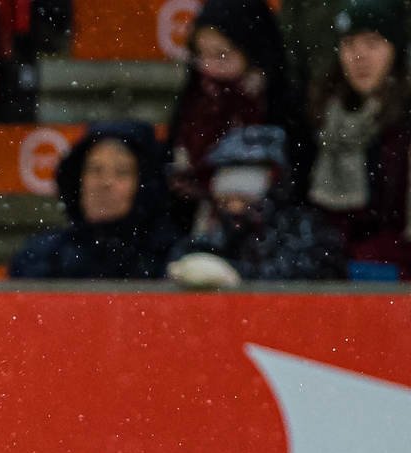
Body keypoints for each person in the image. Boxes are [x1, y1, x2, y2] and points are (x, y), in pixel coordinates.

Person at [167, 0, 310, 217]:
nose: (209, 66)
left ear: (252, 52)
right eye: (201, 54)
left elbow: (298, 178)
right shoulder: (194, 100)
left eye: (222, 55)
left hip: (270, 229)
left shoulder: (279, 104)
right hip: (199, 228)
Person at [169, 124, 348, 284]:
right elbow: (183, 260)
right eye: (224, 193)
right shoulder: (215, 234)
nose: (234, 205)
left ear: (273, 182)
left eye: (247, 189)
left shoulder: (305, 229)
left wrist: (236, 275)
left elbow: (307, 276)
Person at [304, 0, 408, 273]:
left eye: (372, 43)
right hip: (328, 265)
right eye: (349, 44)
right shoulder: (322, 115)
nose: (359, 56)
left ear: (395, 51)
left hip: (392, 273)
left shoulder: (403, 125)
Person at [9, 122, 181, 280]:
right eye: (95, 170)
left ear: (145, 185)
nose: (105, 183)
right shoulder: (40, 257)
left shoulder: (172, 260)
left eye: (121, 172)